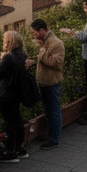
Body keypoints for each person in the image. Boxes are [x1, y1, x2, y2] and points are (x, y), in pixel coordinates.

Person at [0, 30, 29, 163]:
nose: (3, 42)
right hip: (17, 93)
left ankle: (10, 152)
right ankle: (20, 148)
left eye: (4, 40)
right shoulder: (22, 55)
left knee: (9, 122)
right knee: (17, 119)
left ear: (9, 42)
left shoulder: (8, 57)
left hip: (7, 94)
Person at [28, 18, 65, 150]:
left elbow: (56, 63)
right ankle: (50, 134)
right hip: (45, 82)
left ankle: (54, 138)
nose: (34, 35)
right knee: (48, 110)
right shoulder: (45, 42)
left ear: (42, 30)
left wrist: (42, 53)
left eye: (35, 32)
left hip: (51, 82)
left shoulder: (56, 43)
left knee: (53, 110)